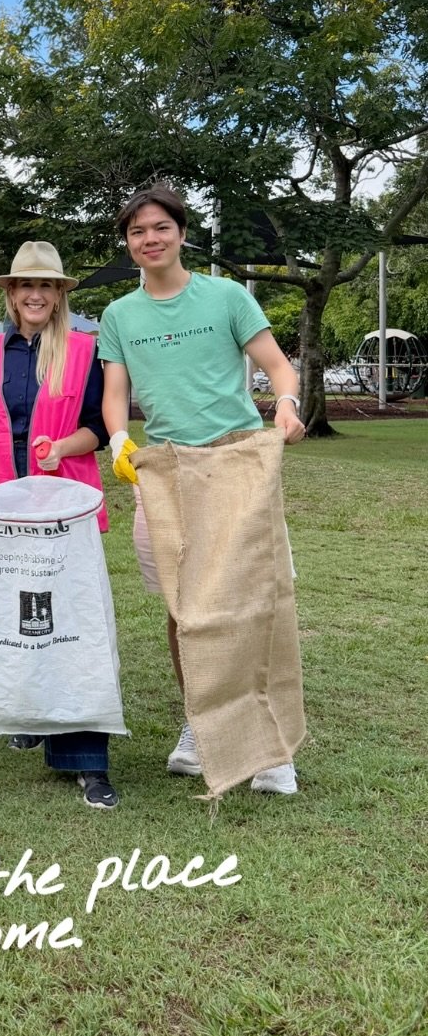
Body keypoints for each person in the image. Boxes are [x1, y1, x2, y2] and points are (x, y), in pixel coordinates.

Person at [99, 184, 306, 794]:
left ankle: (270, 748)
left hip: (237, 462)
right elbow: (115, 393)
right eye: (138, 232)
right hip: (163, 470)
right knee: (182, 608)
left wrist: (287, 406)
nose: (150, 239)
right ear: (129, 242)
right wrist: (117, 440)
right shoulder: (119, 315)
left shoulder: (226, 296)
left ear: (181, 232)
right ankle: (201, 724)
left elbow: (278, 366)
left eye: (160, 227)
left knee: (254, 597)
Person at [0, 241, 118, 810]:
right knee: (22, 618)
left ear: (59, 295)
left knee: (74, 626)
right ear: (9, 293)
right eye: (24, 285)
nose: (34, 294)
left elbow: (100, 426)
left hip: (64, 507)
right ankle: (32, 716)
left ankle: (86, 759)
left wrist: (60, 451)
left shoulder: (83, 350)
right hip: (6, 511)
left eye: (46, 286)